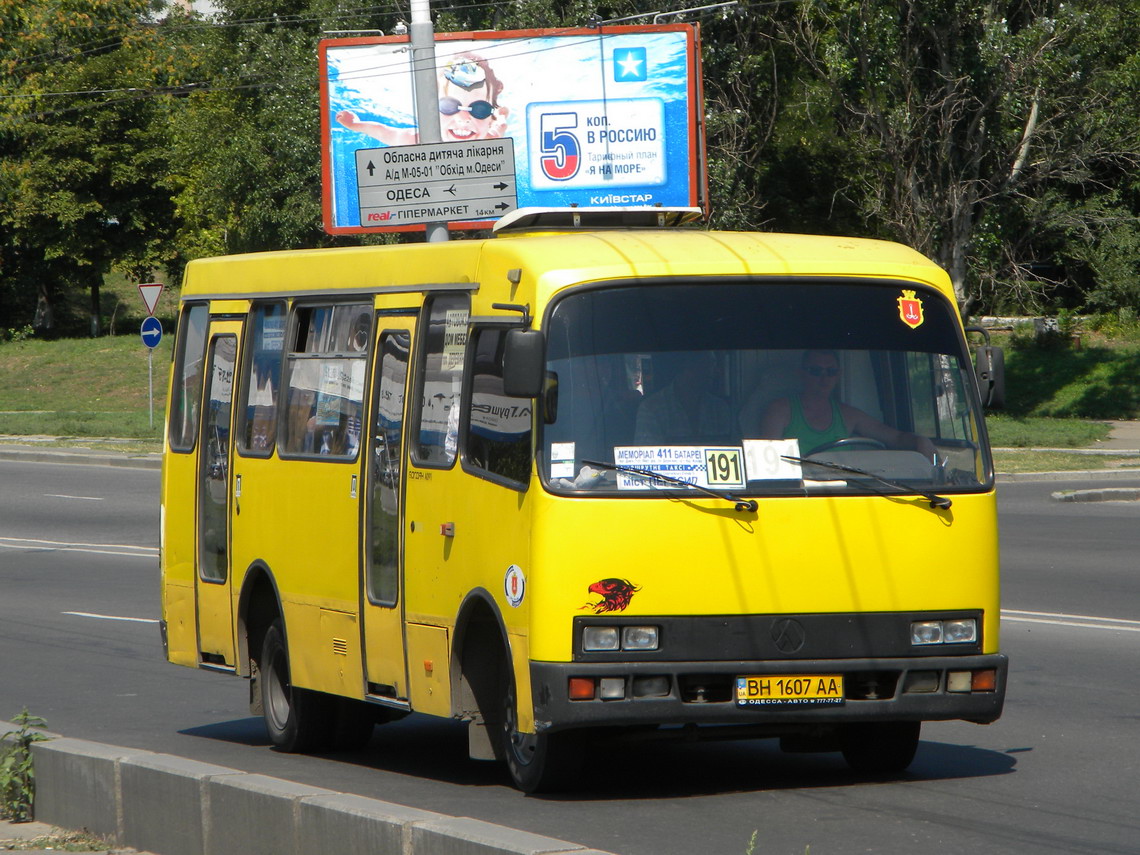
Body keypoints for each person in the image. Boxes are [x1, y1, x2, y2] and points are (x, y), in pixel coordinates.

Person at [759, 349, 936, 459]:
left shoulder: (848, 415)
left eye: (831, 371)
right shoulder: (780, 411)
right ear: (801, 373)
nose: (824, 378)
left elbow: (895, 438)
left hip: (844, 494)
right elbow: (769, 461)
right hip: (799, 495)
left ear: (838, 375)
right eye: (815, 371)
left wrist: (920, 441)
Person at [336, 53, 510, 145]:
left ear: (489, 117)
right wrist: (355, 125)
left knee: (501, 124)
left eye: (480, 110)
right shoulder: (413, 140)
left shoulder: (489, 139)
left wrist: (501, 116)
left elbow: (499, 126)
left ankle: (500, 112)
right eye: (449, 106)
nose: (463, 120)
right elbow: (383, 131)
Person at [634, 352, 732, 444]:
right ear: (688, 366)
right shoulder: (651, 408)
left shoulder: (719, 408)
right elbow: (646, 455)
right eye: (709, 365)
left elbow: (733, 447)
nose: (715, 371)